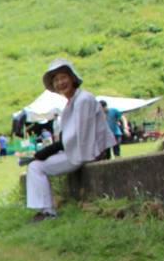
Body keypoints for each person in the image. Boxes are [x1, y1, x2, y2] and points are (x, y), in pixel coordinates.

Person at [24, 58, 116, 222]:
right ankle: (45, 209)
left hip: (87, 152)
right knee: (34, 165)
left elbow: (80, 135)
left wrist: (50, 149)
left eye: (63, 78)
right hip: (78, 150)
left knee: (36, 167)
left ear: (72, 78)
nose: (60, 83)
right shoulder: (72, 102)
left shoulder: (83, 100)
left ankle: (47, 211)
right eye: (56, 80)